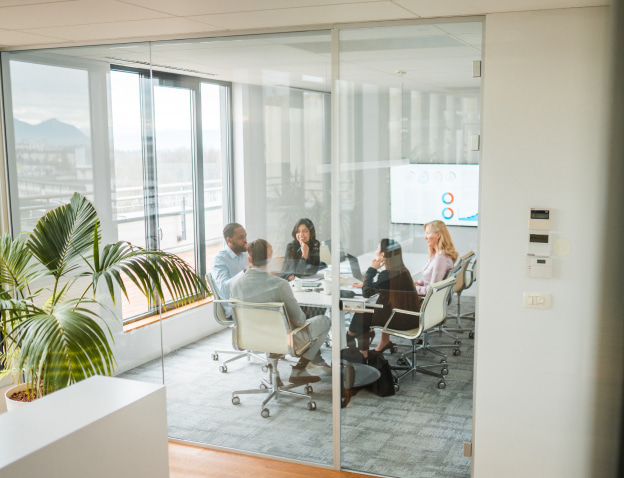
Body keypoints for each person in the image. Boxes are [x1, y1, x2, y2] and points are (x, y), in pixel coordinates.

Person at [230, 239, 331, 384]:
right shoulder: (280, 284)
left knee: (267, 327)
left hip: (250, 338)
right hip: (280, 340)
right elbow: (300, 321)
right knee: (324, 321)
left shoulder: (235, 284)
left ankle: (273, 372)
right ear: (270, 259)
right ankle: (300, 369)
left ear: (249, 258)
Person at [346, 239, 419, 357]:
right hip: (409, 317)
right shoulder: (402, 271)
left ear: (383, 255)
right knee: (365, 311)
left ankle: (357, 347)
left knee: (363, 312)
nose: (375, 251)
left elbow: (366, 293)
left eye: (377, 249)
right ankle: (355, 342)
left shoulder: (387, 274)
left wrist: (371, 270)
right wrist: (370, 283)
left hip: (401, 320)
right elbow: (377, 288)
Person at [210, 223, 248, 317]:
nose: (245, 240)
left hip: (250, 302)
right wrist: (244, 272)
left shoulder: (245, 256)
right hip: (236, 308)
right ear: (229, 240)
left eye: (245, 237)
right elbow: (224, 288)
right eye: (241, 237)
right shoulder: (219, 259)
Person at [415, 220, 458, 295]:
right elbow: (430, 277)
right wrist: (419, 283)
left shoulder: (441, 258)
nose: (425, 237)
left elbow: (433, 289)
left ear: (438, 235)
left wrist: (413, 288)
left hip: (425, 300)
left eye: (428, 233)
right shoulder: (436, 254)